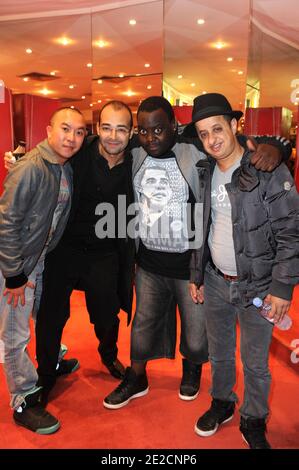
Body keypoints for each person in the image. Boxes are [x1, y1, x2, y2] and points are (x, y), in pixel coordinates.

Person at [103, 96, 290, 410]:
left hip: (190, 263)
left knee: (196, 328)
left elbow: (236, 142)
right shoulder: (134, 151)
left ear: (174, 127)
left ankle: (192, 370)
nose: (151, 138)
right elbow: (100, 143)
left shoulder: (195, 147)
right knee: (143, 322)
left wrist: (279, 147)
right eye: (144, 132)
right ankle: (137, 376)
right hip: (148, 261)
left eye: (159, 130)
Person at [189, 93, 299, 448]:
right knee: (219, 353)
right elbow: (202, 226)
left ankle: (253, 418)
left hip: (259, 286)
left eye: (218, 129)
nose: (212, 140)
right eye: (203, 134)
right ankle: (222, 402)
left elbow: (291, 232)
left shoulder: (267, 168)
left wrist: (282, 289)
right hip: (217, 282)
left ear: (235, 125)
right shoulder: (204, 171)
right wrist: (198, 274)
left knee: (255, 363)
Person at [34, 101, 136, 404]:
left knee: (107, 313)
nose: (113, 136)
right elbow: (47, 151)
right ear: (97, 128)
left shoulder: (138, 159)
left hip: (106, 252)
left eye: (121, 129)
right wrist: (21, 161)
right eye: (106, 127)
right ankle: (46, 373)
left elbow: (183, 139)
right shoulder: (79, 151)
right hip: (64, 247)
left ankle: (108, 354)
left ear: (131, 133)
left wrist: (268, 144)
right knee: (51, 314)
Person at [0, 107, 86, 434]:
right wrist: (14, 274)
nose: (72, 138)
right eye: (65, 129)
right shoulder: (31, 169)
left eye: (79, 132)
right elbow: (6, 224)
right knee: (15, 331)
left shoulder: (63, 167)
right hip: (16, 264)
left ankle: (50, 357)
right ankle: (22, 398)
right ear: (49, 130)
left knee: (43, 313)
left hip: (38, 258)